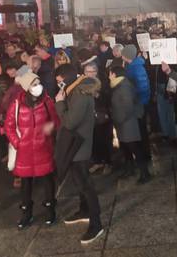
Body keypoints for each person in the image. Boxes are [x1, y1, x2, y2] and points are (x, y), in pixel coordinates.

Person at [54, 64, 104, 244]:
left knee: (85, 184)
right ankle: (84, 210)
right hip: (75, 144)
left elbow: (70, 122)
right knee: (78, 182)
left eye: (60, 82)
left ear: (67, 79)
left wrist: (59, 103)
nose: (59, 86)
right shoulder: (76, 90)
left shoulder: (80, 94)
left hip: (79, 146)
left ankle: (96, 223)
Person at [4, 72, 60, 229]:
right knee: (26, 184)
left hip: (44, 148)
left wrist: (52, 128)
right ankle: (26, 214)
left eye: (39, 82)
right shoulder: (16, 104)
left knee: (48, 181)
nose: (38, 86)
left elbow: (56, 120)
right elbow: (8, 126)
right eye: (34, 84)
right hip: (25, 151)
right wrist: (17, 143)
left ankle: (50, 210)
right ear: (27, 87)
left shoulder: (47, 101)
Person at [109, 65, 151, 184]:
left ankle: (145, 173)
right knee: (127, 148)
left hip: (128, 122)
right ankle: (130, 169)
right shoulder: (119, 84)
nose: (109, 76)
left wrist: (119, 118)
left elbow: (128, 107)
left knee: (135, 148)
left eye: (110, 73)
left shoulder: (124, 86)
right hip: (123, 123)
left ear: (114, 74)